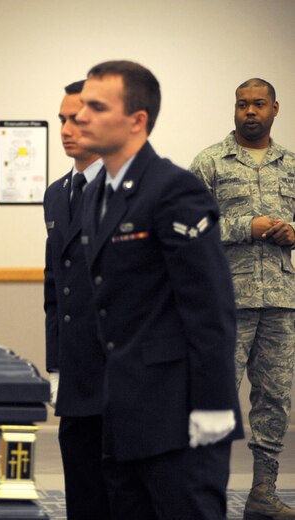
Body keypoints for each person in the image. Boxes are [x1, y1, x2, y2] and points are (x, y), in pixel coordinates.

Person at [75, 60, 243, 519]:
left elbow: (210, 307)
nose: (81, 116)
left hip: (181, 417)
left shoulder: (174, 189)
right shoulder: (95, 194)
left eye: (95, 106)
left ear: (136, 120)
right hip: (123, 414)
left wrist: (213, 405)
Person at [190, 78, 295, 520]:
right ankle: (198, 492)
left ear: (274, 109)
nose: (249, 111)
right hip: (225, 303)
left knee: (274, 400)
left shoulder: (290, 165)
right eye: (241, 105)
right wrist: (241, 227)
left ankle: (263, 494)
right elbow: (185, 229)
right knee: (214, 398)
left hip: (280, 302)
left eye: (257, 104)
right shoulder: (210, 161)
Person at [43, 79, 109, 520]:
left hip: (124, 370)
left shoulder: (135, 191)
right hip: (77, 369)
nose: (67, 128)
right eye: (62, 119)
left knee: (124, 491)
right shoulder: (56, 193)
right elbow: (55, 285)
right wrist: (56, 364)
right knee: (81, 485)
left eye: (78, 119)